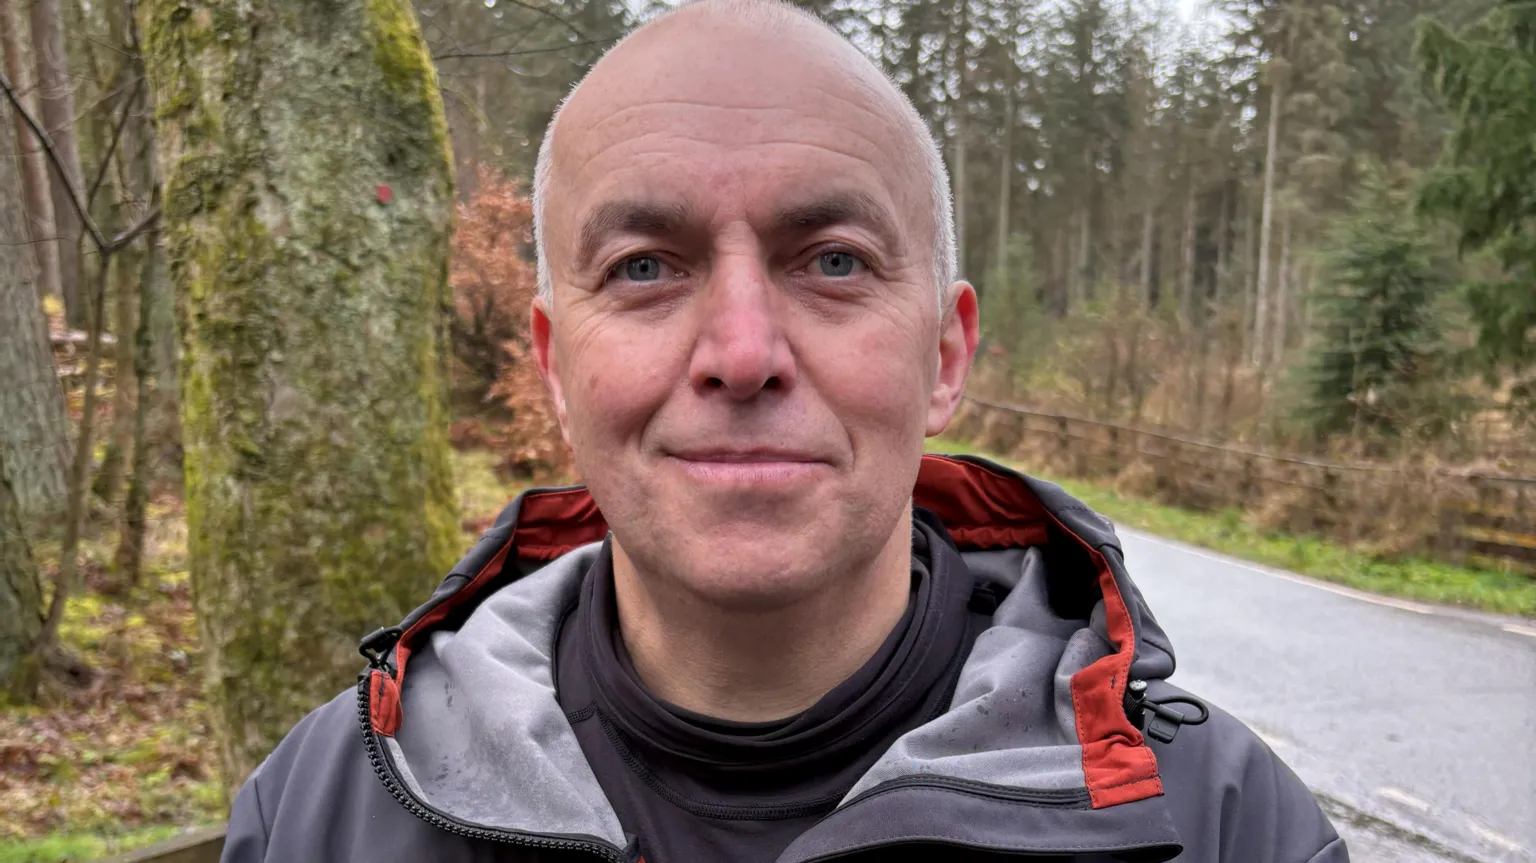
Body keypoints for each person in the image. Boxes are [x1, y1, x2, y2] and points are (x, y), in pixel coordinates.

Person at [220, 1, 1348, 860]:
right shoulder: (322, 812)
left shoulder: (1222, 823)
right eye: (647, 267)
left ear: (944, 355)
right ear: (556, 364)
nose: (743, 350)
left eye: (835, 261)